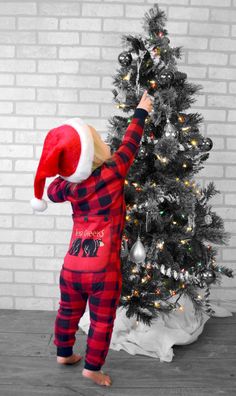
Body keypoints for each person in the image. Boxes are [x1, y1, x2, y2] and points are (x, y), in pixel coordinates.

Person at [31, 90, 153, 387]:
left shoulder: (66, 189)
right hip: (102, 270)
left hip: (72, 267)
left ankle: (63, 352)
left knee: (67, 310)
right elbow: (130, 144)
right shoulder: (112, 172)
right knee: (101, 321)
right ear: (97, 151)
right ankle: (92, 368)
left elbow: (51, 191)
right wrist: (141, 111)